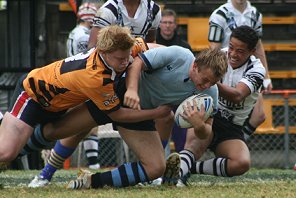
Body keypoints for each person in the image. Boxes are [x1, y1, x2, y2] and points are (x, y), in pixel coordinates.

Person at [28, 45, 227, 188]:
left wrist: (199, 125)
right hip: (116, 95)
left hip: (140, 115)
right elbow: (138, 62)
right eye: (205, 80)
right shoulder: (179, 56)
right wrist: (132, 90)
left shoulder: (210, 93)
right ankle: (38, 168)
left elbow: (205, 133)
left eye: (213, 83)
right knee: (57, 131)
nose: (207, 86)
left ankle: (91, 181)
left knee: (156, 167)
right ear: (194, 66)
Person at [0, 25, 170, 167]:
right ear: (103, 52)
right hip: (33, 96)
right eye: (119, 59)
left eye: (127, 56)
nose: (125, 62)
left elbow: (159, 51)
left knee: (51, 135)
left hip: (59, 103)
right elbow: (117, 114)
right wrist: (157, 113)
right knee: (6, 152)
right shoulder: (94, 77)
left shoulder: (124, 47)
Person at [167, 25, 266, 187]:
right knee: (193, 146)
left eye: (240, 51)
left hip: (232, 126)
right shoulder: (219, 56)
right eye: (232, 47)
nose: (233, 54)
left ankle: (189, 167)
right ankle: (176, 178)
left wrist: (209, 81)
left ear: (252, 51)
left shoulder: (257, 69)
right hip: (208, 111)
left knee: (241, 163)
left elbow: (238, 95)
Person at [208, 0, 272, 139]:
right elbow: (214, 48)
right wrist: (215, 74)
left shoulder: (255, 14)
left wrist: (266, 76)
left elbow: (258, 46)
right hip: (225, 69)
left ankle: (238, 139)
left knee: (259, 115)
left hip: (248, 71)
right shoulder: (219, 14)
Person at [65, 2, 101, 169]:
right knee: (87, 124)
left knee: (88, 124)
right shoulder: (84, 36)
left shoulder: (74, 32)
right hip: (80, 80)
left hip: (75, 78)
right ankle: (93, 164)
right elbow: (86, 56)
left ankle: (93, 163)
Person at [155, 8, 192, 153]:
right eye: (164, 22)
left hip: (179, 95)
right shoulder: (152, 43)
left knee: (181, 134)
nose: (167, 25)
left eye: (170, 22)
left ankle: (181, 164)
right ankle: (157, 163)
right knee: (157, 133)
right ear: (159, 25)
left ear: (175, 25)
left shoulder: (185, 47)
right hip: (157, 94)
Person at [88, 0, 161, 48]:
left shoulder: (154, 9)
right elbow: (92, 47)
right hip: (111, 63)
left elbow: (151, 41)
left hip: (140, 62)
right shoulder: (107, 10)